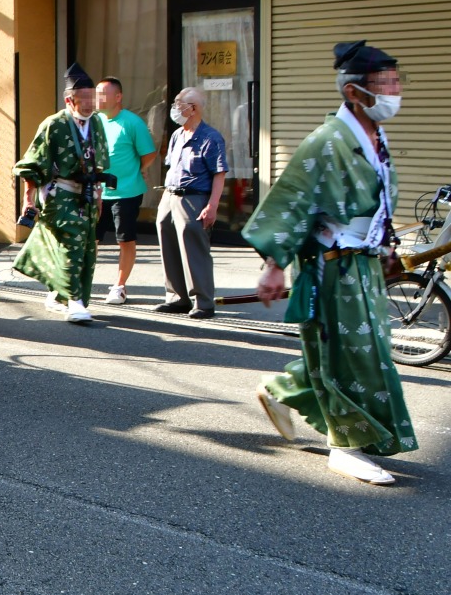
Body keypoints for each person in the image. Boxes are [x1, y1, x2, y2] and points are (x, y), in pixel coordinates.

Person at [245, 41, 417, 486]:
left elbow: (375, 202)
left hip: (364, 263)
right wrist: (275, 265)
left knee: (367, 350)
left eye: (397, 81)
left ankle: (281, 392)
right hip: (333, 267)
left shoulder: (374, 138)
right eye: (386, 84)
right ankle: (345, 446)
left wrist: (386, 244)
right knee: (348, 354)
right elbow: (290, 200)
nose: (395, 91)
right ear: (354, 92)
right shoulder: (326, 141)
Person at [14, 63, 111, 323]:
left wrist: (99, 195)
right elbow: (32, 164)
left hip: (88, 195)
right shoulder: (53, 124)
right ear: (70, 99)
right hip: (62, 194)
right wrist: (29, 198)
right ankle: (75, 303)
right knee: (71, 246)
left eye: (93, 99)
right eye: (85, 99)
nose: (90, 105)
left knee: (87, 249)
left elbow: (100, 161)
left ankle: (60, 295)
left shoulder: (97, 123)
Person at [154, 86, 227, 318]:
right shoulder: (177, 135)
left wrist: (212, 205)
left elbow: (219, 173)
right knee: (168, 244)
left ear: (192, 108)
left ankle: (203, 301)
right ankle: (177, 297)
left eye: (179, 104)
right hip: (170, 194)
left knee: (194, 249)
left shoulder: (211, 137)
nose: (175, 108)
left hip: (194, 197)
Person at [95, 77, 158, 305]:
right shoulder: (94, 121)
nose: (97, 98)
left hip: (127, 192)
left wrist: (138, 169)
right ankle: (83, 282)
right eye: (96, 93)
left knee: (125, 240)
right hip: (98, 191)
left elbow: (149, 153)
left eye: (103, 93)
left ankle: (120, 286)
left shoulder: (132, 122)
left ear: (118, 97)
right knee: (90, 239)